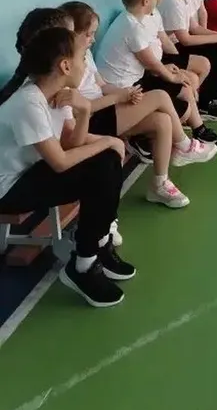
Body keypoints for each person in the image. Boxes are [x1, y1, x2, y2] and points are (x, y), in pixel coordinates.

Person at [0, 26, 132, 308]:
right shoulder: (29, 102)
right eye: (83, 57)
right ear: (65, 65)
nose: (86, 64)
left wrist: (84, 110)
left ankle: (96, 246)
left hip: (32, 172)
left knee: (105, 163)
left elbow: (73, 144)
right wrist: (107, 141)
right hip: (8, 190)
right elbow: (61, 162)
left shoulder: (60, 94)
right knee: (103, 163)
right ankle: (84, 264)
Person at [60, 1, 208, 208]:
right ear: (70, 35)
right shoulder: (64, 67)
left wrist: (126, 93)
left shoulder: (85, 55)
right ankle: (184, 145)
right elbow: (80, 109)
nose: (93, 39)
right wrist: (117, 98)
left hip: (106, 109)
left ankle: (159, 184)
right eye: (88, 34)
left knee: (162, 121)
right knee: (159, 96)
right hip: (90, 122)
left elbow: (102, 85)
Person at [98, 0, 217, 151]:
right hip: (125, 88)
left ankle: (198, 130)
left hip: (137, 79)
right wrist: (173, 76)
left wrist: (171, 70)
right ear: (145, 1)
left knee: (184, 89)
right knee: (181, 105)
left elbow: (151, 61)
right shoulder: (132, 27)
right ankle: (148, 137)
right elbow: (152, 64)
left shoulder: (135, 19)